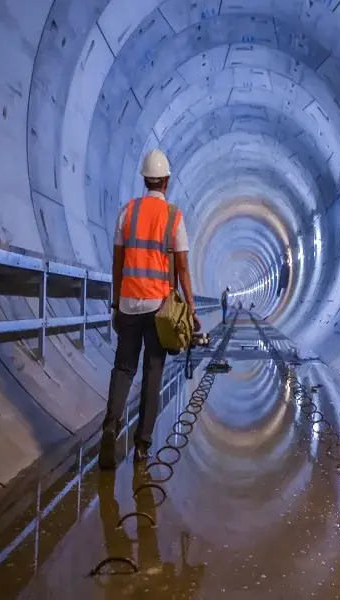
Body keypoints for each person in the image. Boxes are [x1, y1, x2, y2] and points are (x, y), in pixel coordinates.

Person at [99, 149, 201, 470]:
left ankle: (111, 426)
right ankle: (142, 447)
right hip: (159, 311)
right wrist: (192, 309)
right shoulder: (174, 217)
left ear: (144, 179)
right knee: (152, 375)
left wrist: (116, 301)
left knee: (123, 368)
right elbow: (182, 268)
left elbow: (117, 262)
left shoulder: (126, 212)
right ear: (166, 181)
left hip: (128, 303)